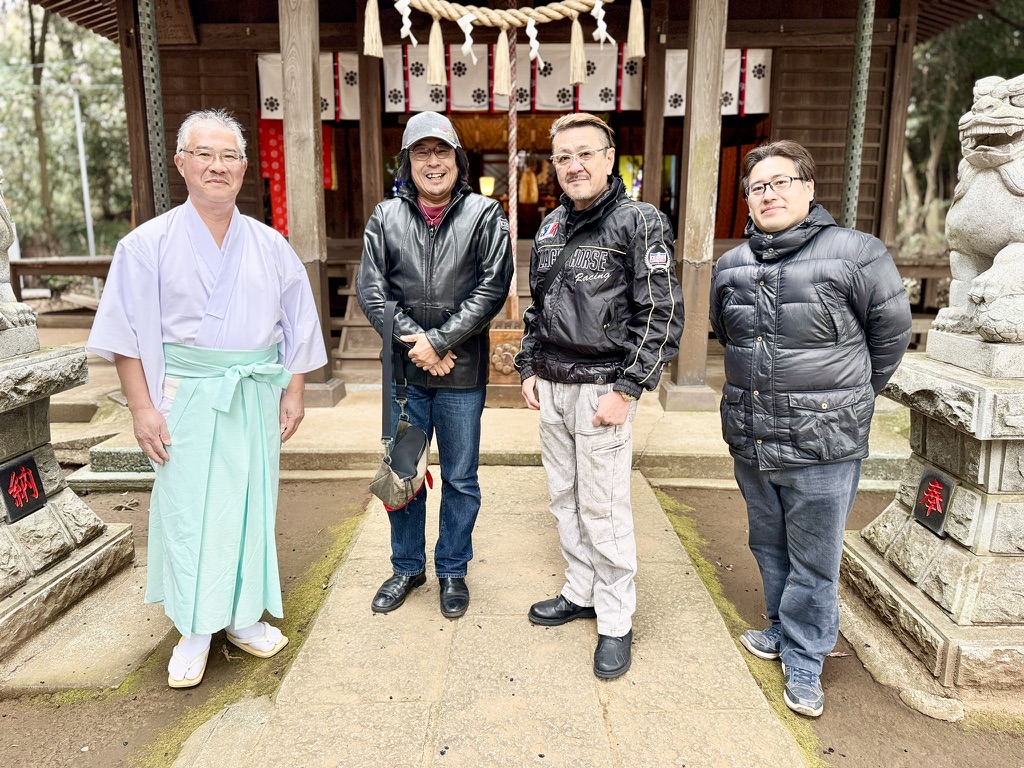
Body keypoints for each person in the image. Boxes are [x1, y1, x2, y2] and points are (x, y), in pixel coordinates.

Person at [87, 109, 327, 689]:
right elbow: (125, 335)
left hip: (253, 394)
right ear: (182, 164)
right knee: (190, 508)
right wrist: (142, 408)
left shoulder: (270, 245)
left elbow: (298, 324)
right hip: (184, 393)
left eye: (228, 157)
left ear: (244, 168)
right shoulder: (147, 245)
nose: (217, 166)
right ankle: (195, 627)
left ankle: (244, 616)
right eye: (204, 155)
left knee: (250, 503)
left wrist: (293, 391)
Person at [710, 140, 912, 717]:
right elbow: (728, 334)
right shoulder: (733, 265)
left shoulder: (857, 253)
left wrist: (846, 398)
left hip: (824, 441)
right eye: (756, 187)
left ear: (808, 188)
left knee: (816, 556)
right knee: (767, 542)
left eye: (779, 182)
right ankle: (781, 627)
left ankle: (806, 655)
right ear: (746, 200)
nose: (767, 195)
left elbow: (890, 335)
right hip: (752, 435)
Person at [515, 112, 683, 680]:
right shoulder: (551, 228)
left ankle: (615, 618)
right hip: (554, 386)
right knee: (564, 497)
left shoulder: (639, 223)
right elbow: (538, 306)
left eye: (585, 153)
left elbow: (661, 313)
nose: (573, 166)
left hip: (603, 390)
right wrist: (530, 367)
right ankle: (580, 590)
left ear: (610, 158)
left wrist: (629, 388)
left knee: (605, 507)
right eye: (563, 157)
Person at [356, 111, 513, 620]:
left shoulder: (485, 215)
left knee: (461, 477)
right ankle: (406, 566)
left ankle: (451, 569)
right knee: (403, 471)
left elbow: (493, 287)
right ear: (407, 162)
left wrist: (441, 341)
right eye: (421, 153)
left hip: (462, 375)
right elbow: (372, 290)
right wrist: (416, 344)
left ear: (457, 160)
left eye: (441, 151)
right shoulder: (385, 217)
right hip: (403, 377)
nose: (432, 162)